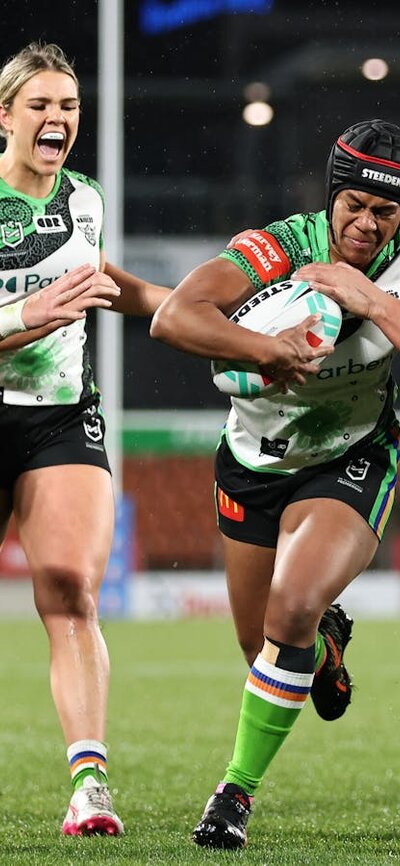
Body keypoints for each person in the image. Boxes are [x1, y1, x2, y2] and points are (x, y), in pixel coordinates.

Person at [150, 118, 400, 849]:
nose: (366, 223)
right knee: (265, 644)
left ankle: (233, 794)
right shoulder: (280, 245)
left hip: (353, 456)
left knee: (290, 608)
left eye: (385, 212)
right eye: (354, 205)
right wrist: (266, 350)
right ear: (332, 197)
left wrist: (373, 300)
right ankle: (326, 649)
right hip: (254, 463)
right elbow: (174, 317)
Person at [0, 41, 171, 836]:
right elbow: (41, 306)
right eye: (40, 105)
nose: (57, 118)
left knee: (70, 586)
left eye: (68, 106)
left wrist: (206, 315)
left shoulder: (86, 199)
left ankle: (89, 785)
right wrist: (24, 317)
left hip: (60, 413)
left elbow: (107, 283)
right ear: (5, 116)